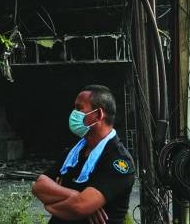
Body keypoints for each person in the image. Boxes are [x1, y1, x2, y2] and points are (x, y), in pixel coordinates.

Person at [32, 85, 134, 224]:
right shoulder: (75, 152)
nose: (74, 114)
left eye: (79, 108)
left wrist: (49, 204)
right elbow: (39, 186)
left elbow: (79, 207)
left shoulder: (119, 161)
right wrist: (74, 195)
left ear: (98, 115)